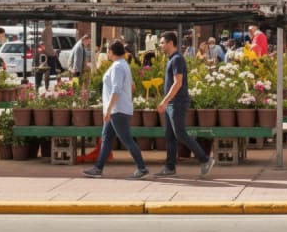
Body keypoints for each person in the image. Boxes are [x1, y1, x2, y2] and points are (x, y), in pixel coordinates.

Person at [83, 40, 149, 179]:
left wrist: (108, 110)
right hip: (119, 109)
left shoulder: (117, 67)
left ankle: (142, 168)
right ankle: (98, 168)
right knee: (107, 138)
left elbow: (116, 89)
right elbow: (132, 86)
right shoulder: (123, 65)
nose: (106, 52)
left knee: (127, 140)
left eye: (107, 50)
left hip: (116, 110)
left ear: (112, 52)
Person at [155, 30, 214, 179]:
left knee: (180, 134)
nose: (160, 45)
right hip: (172, 103)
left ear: (170, 43)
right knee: (170, 136)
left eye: (162, 43)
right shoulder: (171, 59)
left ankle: (205, 159)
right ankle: (169, 167)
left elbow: (178, 83)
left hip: (177, 102)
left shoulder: (177, 59)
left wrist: (165, 101)